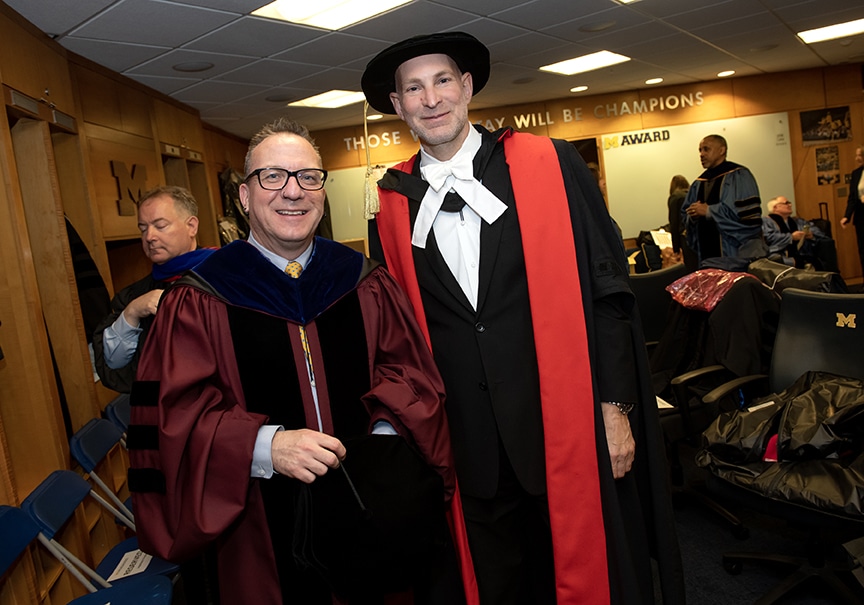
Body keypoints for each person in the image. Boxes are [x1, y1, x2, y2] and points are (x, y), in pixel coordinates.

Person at [360, 32, 684, 605]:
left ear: (466, 88)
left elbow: (608, 294)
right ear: (397, 105)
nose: (430, 99)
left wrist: (615, 409)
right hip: (468, 446)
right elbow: (400, 335)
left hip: (563, 428)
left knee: (589, 576)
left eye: (442, 82)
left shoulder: (548, 165)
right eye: (413, 88)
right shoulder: (390, 203)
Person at [126, 117, 456, 605]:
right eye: (273, 176)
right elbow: (174, 417)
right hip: (256, 528)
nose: (293, 192)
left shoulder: (362, 279)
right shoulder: (198, 298)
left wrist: (382, 444)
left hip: (369, 512)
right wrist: (264, 446)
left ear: (322, 190)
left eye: (308, 177)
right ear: (244, 195)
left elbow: (410, 374)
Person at [92, 186, 214, 393]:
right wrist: (131, 313)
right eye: (143, 229)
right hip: (165, 414)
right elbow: (114, 365)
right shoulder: (135, 295)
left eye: (160, 226)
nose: (149, 237)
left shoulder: (226, 276)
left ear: (191, 226)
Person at [681, 134, 768, 271]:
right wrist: (692, 216)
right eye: (700, 150)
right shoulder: (698, 183)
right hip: (706, 255)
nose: (701, 154)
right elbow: (685, 216)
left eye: (706, 149)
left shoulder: (740, 176)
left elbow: (749, 218)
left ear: (722, 150)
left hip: (735, 253)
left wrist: (709, 211)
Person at [762, 196, 830, 269]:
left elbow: (817, 231)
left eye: (789, 203)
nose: (790, 205)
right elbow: (768, 237)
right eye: (786, 203)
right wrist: (791, 237)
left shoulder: (797, 221)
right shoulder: (766, 221)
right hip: (779, 255)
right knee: (779, 261)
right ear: (775, 207)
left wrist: (811, 235)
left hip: (802, 253)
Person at [841, 144, 864, 275]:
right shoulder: (856, 174)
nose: (856, 158)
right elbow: (852, 198)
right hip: (861, 217)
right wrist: (846, 216)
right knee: (862, 251)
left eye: (859, 155)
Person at [667, 174, 695, 268]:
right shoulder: (692, 195)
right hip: (696, 237)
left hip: (685, 237)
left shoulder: (675, 197)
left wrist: (676, 250)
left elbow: (674, 224)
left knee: (689, 269)